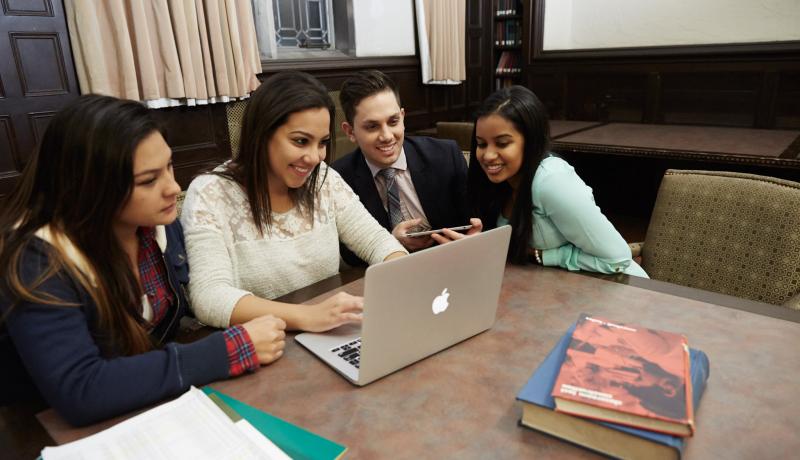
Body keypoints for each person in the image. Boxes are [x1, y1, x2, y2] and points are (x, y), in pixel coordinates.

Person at [0, 95, 286, 426]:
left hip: (146, 406)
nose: (173, 187)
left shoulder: (153, 227)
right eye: (148, 180)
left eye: (169, 166)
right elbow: (81, 389)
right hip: (50, 430)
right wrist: (227, 350)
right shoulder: (37, 261)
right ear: (91, 188)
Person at [180, 71, 406, 333]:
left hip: (328, 331)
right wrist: (305, 316)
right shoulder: (210, 193)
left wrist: (401, 272)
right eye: (300, 141)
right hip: (263, 344)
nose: (314, 157)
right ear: (262, 133)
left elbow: (377, 242)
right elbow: (208, 297)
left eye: (322, 143)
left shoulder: (323, 179)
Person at [468, 86, 648, 277]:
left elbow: (617, 259)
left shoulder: (551, 180)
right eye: (481, 144)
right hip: (555, 289)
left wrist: (544, 256)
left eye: (502, 143)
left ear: (531, 141)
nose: (487, 155)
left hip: (620, 288)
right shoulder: (496, 183)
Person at [332, 70, 481, 265]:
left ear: (403, 117)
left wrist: (475, 239)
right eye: (372, 127)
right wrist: (389, 243)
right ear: (350, 131)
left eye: (393, 121)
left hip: (453, 265)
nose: (386, 136)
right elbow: (349, 255)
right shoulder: (338, 178)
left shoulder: (445, 156)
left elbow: (473, 219)